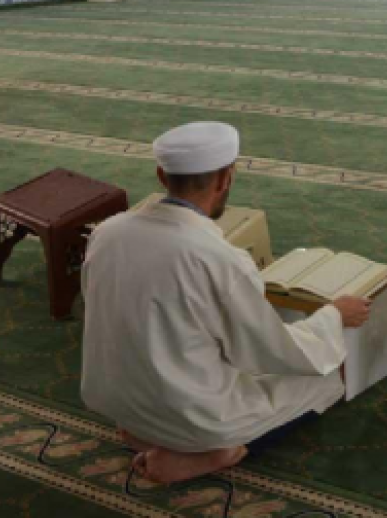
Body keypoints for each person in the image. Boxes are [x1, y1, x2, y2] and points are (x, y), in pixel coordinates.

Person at [80, 122, 370, 484]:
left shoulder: (106, 232)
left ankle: (146, 432)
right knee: (329, 378)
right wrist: (333, 317)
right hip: (191, 415)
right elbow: (267, 350)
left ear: (161, 176)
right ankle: (216, 452)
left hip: (114, 401)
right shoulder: (218, 259)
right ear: (225, 178)